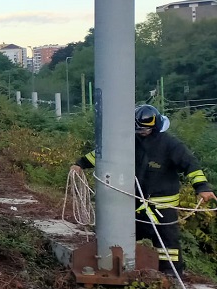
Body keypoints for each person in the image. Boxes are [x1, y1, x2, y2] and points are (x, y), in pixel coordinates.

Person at [70, 104, 216, 274]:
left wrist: (202, 187)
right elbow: (105, 153)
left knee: (167, 244)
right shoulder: (130, 141)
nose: (142, 132)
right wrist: (80, 164)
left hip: (162, 208)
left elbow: (191, 165)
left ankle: (172, 275)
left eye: (145, 130)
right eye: (139, 129)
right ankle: (121, 267)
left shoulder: (171, 145)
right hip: (135, 203)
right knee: (121, 234)